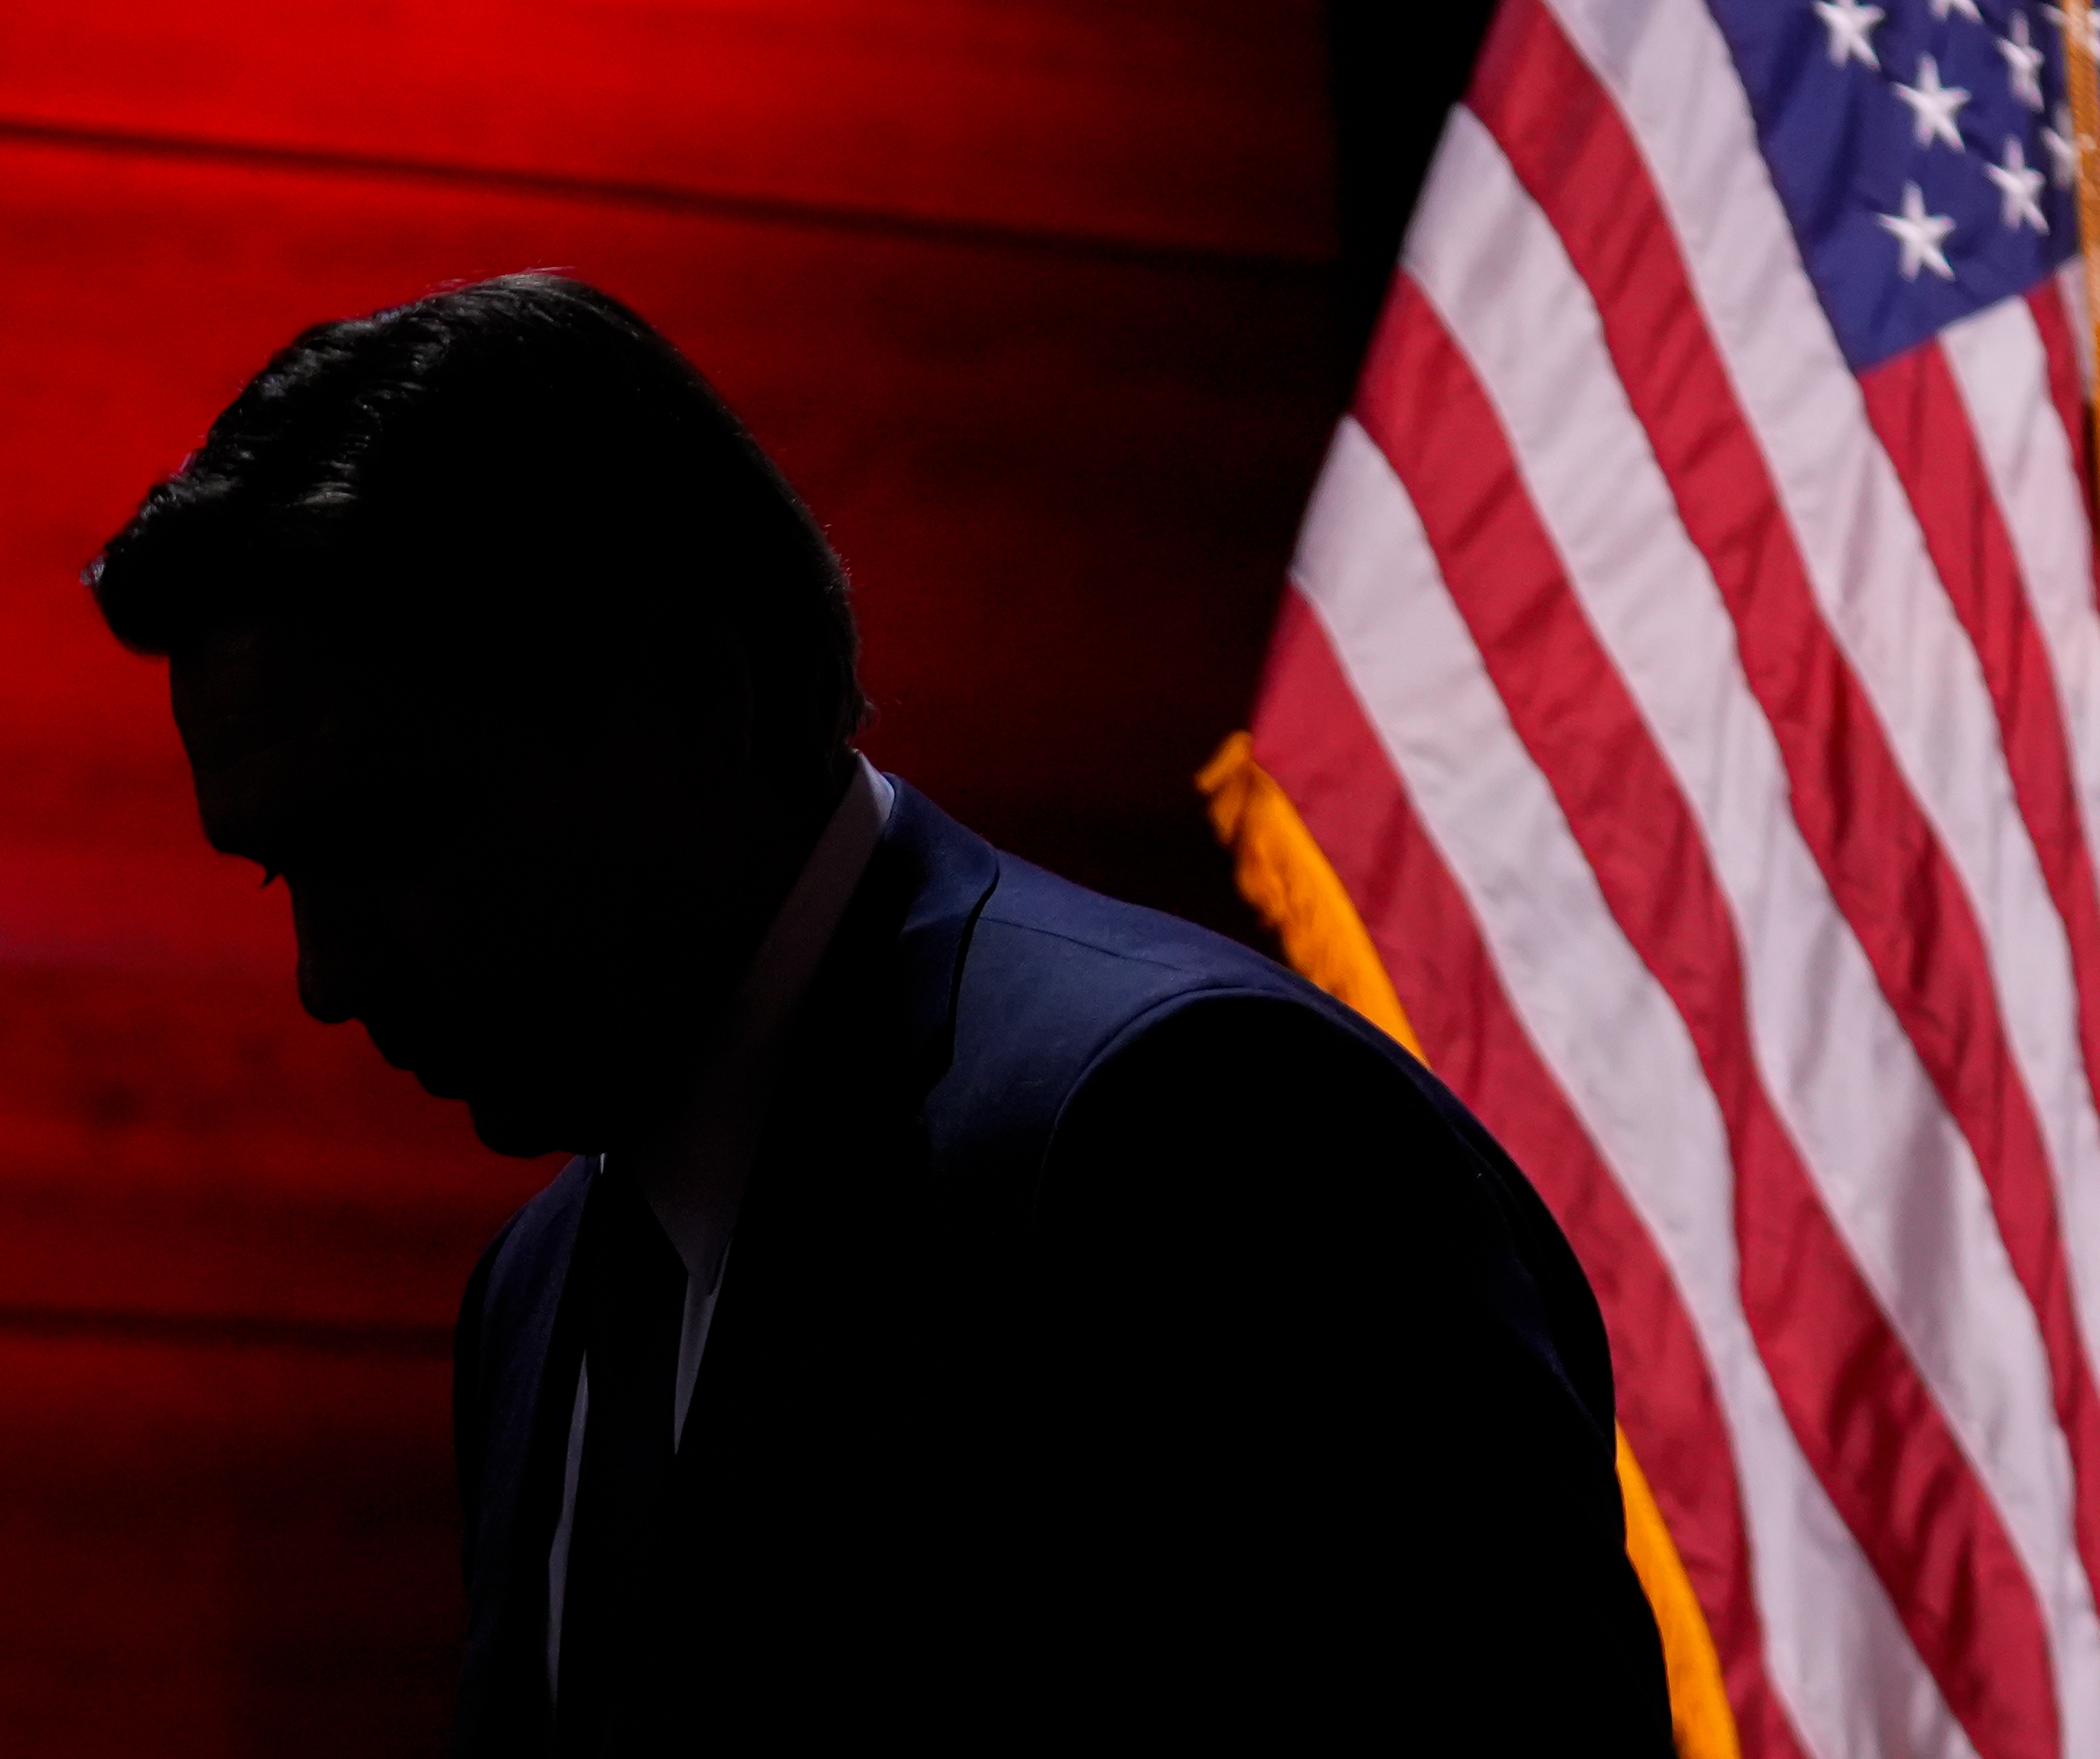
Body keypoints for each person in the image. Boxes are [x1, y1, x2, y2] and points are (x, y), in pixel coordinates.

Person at [87, 273, 1675, 1755]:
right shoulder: (540, 1287)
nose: (328, 975)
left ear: (688, 694)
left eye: (392, 838)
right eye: (277, 874)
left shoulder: (1201, 1134)